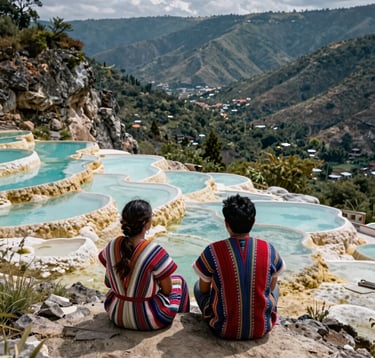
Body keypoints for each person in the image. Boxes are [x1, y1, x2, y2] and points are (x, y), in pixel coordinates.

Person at [192, 194, 285, 340]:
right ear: (253, 222)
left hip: (223, 329)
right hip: (261, 328)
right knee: (277, 288)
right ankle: (266, 316)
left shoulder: (213, 251)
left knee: (197, 286)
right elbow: (271, 287)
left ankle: (219, 315)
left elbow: (204, 290)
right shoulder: (269, 249)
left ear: (226, 223)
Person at [98, 199, 190, 330]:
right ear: (147, 224)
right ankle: (184, 324)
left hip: (115, 313)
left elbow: (108, 282)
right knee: (179, 281)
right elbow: (167, 290)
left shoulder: (112, 245)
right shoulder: (154, 251)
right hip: (148, 319)